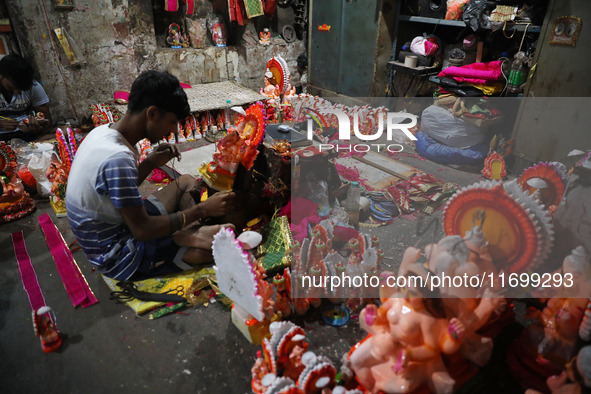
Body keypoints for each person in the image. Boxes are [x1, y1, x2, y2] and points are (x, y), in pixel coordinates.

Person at [66, 70, 235, 281]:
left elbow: (116, 189)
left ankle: (184, 235)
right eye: (172, 122)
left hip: (118, 222)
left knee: (185, 182)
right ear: (152, 113)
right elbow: (142, 230)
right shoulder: (117, 158)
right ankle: (184, 236)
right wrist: (202, 210)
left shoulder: (102, 132)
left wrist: (150, 162)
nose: (174, 130)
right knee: (218, 250)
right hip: (117, 253)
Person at [0, 54, 52, 141]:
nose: (17, 92)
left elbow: (47, 121)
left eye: (21, 88)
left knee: (65, 131)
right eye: (11, 87)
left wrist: (38, 127)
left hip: (27, 135)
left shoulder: (34, 86)